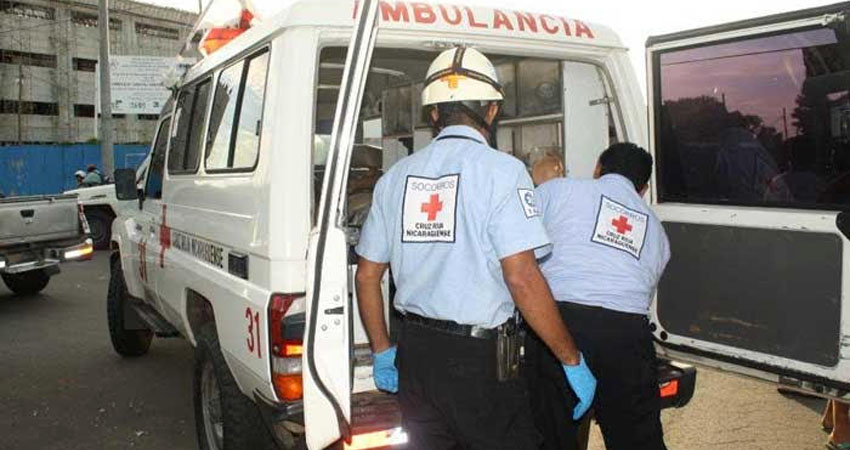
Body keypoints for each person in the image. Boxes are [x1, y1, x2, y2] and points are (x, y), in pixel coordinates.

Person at [355, 46, 596, 450]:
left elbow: (367, 275)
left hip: (415, 356)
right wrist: (571, 359)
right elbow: (521, 276)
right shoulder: (503, 172)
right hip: (480, 362)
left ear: (432, 114)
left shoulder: (394, 178)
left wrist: (382, 350)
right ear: (491, 110)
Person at [525, 142, 670, 450]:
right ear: (643, 188)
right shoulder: (656, 229)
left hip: (560, 324)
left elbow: (520, 248)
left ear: (597, 169)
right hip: (627, 334)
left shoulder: (557, 191)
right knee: (637, 438)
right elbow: (645, 290)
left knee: (551, 433)